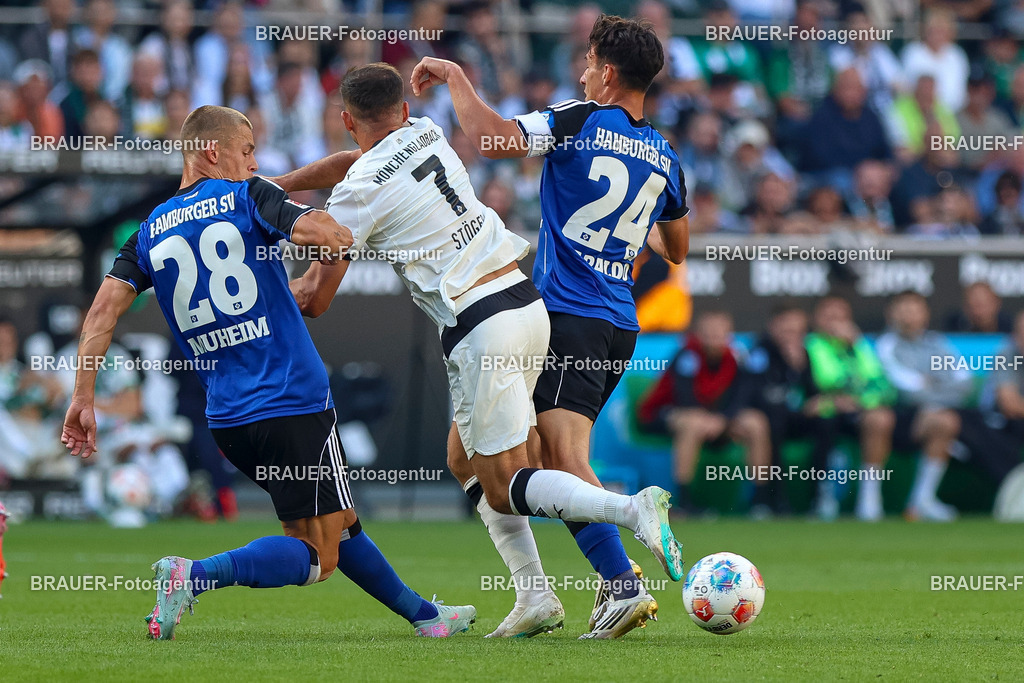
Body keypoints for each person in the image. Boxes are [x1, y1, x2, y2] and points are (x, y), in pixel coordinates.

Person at [295, 61, 683, 640]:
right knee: (462, 456)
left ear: (346, 119)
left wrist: (273, 278)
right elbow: (356, 164)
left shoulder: (356, 194)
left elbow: (316, 297)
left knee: (509, 479)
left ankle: (629, 514)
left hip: (483, 326)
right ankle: (535, 596)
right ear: (403, 111)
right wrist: (272, 188)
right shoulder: (425, 132)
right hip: (526, 303)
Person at [61, 105, 475, 640]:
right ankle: (195, 575)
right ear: (214, 152)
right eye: (249, 150)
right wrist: (343, 226)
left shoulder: (148, 233)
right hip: (293, 401)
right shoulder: (248, 197)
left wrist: (82, 398)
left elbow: (101, 314)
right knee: (317, 558)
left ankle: (426, 618)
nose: (255, 162)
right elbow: (324, 234)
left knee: (335, 522)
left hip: (230, 420)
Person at [410, 12, 689, 639]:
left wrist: (456, 76)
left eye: (590, 63)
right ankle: (537, 593)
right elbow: (676, 247)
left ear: (609, 73)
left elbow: (494, 139)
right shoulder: (667, 155)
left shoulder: (580, 118)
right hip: (618, 320)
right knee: (469, 455)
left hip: (569, 314)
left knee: (558, 456)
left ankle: (620, 583)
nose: (583, 72)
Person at [637, 310, 773, 517]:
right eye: (708, 333)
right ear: (698, 334)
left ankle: (760, 501)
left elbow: (743, 395)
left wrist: (723, 420)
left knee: (756, 422)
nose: (714, 338)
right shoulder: (686, 355)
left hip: (716, 419)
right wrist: (713, 420)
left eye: (719, 333)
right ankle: (684, 501)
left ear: (729, 334)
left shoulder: (736, 357)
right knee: (694, 422)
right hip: (664, 415)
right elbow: (685, 398)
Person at [875, 291, 971, 521]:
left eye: (914, 309)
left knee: (945, 421)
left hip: (935, 413)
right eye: (903, 309)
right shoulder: (885, 345)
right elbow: (905, 390)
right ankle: (870, 504)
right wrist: (935, 386)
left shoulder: (938, 343)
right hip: (898, 417)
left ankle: (921, 502)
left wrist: (930, 390)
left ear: (925, 314)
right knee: (877, 420)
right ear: (891, 314)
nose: (909, 316)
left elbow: (964, 384)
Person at [805, 297, 897, 521]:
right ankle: (822, 497)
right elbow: (829, 382)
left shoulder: (859, 345)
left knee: (881, 419)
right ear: (816, 319)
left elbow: (884, 389)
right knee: (825, 422)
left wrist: (856, 346)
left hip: (856, 413)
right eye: (829, 316)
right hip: (820, 416)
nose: (835, 323)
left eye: (840, 317)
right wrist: (846, 397)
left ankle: (870, 498)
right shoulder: (810, 345)